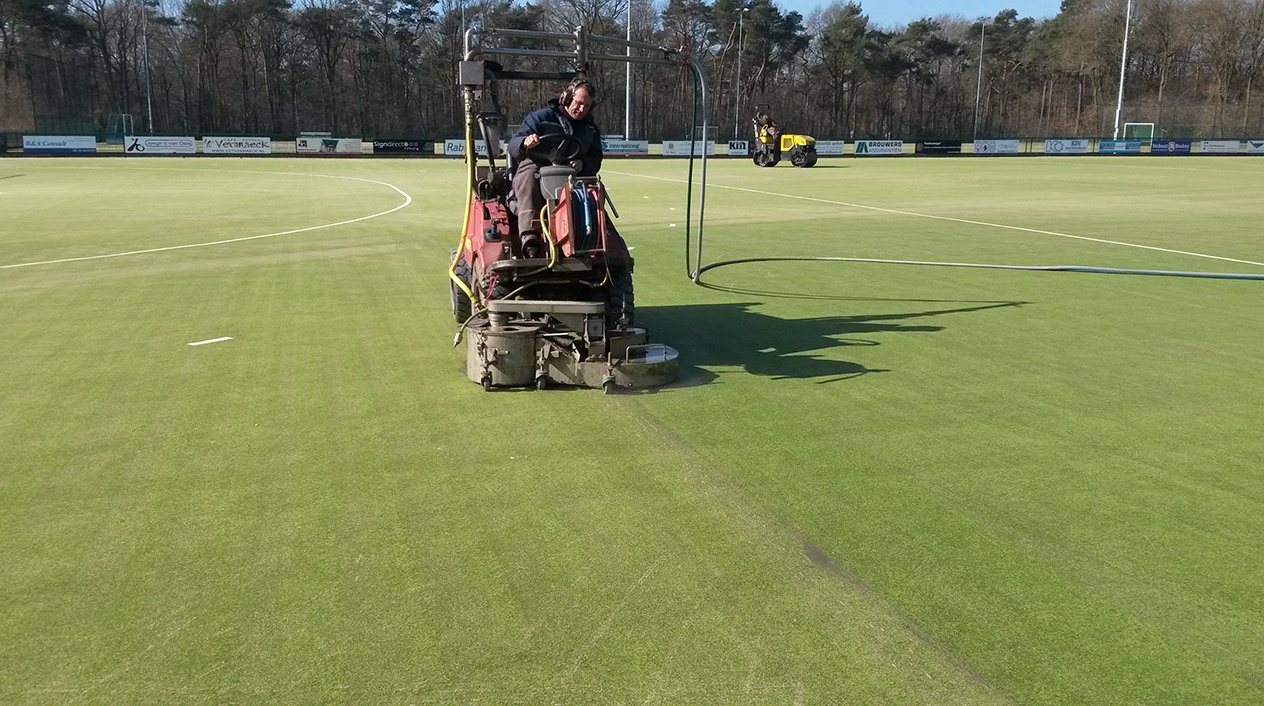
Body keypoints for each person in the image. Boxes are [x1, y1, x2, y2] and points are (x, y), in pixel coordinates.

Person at [507, 78, 604, 257]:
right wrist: (525, 142)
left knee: (596, 187)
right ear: (567, 98)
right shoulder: (540, 118)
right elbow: (513, 146)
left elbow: (596, 158)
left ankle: (593, 234)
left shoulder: (590, 128)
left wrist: (583, 163)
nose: (582, 109)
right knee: (529, 173)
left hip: (572, 174)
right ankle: (530, 234)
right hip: (537, 168)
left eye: (587, 106)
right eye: (579, 103)